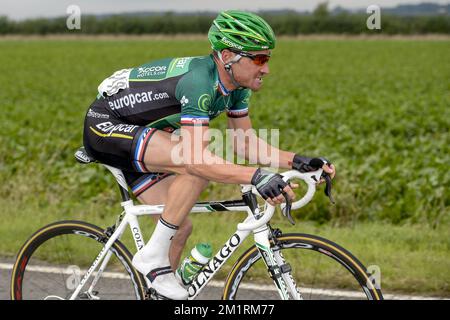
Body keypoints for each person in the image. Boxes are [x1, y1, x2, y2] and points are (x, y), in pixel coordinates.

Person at [82, 10, 335, 300]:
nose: (266, 69)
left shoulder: (236, 87)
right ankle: (152, 260)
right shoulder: (199, 82)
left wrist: (298, 160)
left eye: (268, 59)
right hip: (106, 127)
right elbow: (197, 161)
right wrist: (256, 176)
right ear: (228, 56)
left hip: (143, 136)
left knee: (178, 228)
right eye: (259, 59)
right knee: (196, 164)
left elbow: (244, 144)